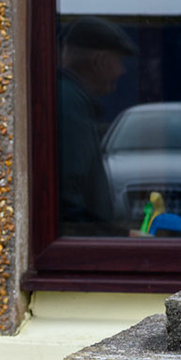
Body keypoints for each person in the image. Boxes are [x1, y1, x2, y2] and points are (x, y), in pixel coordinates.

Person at [56, 16, 136, 233]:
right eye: (119, 61)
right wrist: (121, 238)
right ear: (100, 61)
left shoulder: (67, 98)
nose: (122, 71)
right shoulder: (69, 104)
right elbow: (68, 206)